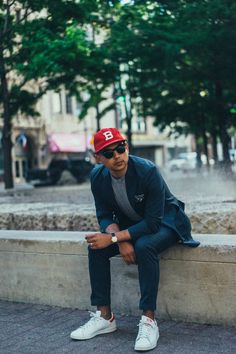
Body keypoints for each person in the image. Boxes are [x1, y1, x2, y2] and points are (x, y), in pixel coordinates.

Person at [70, 128, 200, 351]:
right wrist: (118, 240)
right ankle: (105, 318)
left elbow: (152, 224)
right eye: (109, 154)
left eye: (121, 148)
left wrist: (113, 238)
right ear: (98, 158)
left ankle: (149, 321)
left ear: (127, 147)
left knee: (144, 245)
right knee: (95, 247)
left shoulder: (148, 171)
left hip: (167, 222)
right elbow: (103, 214)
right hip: (132, 226)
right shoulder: (97, 177)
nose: (117, 156)